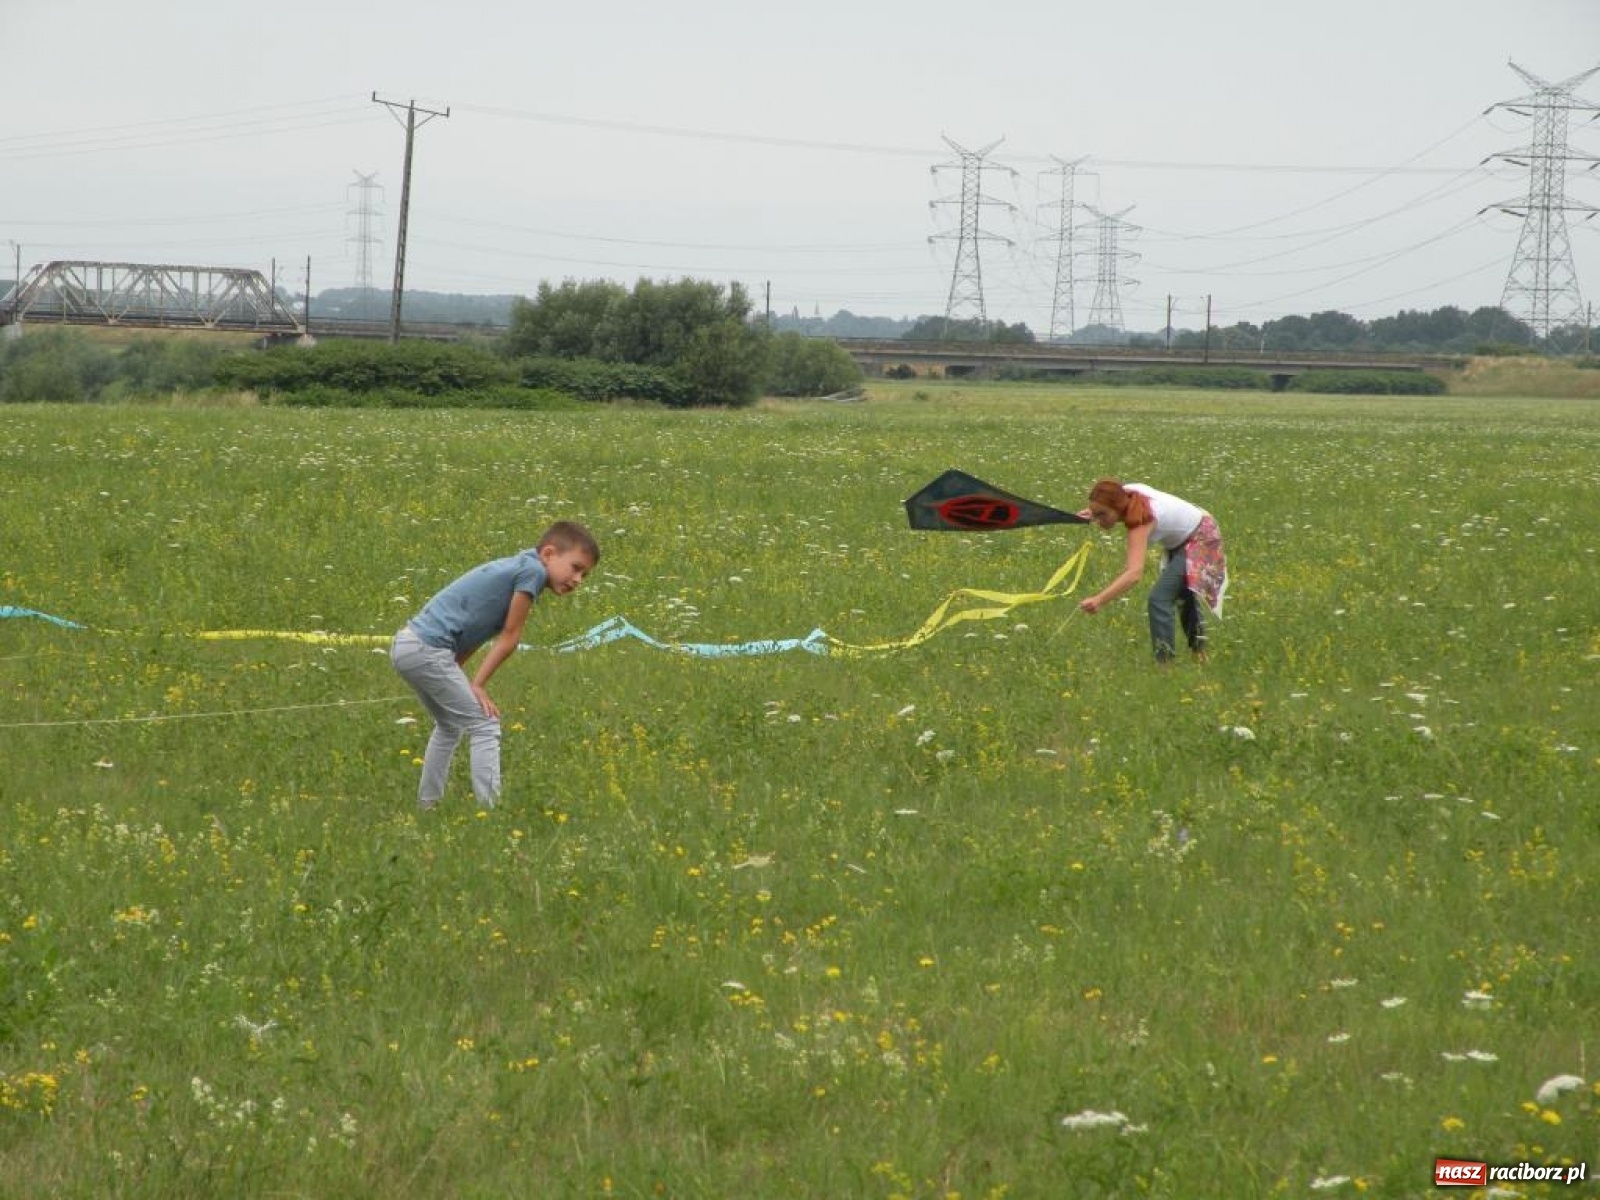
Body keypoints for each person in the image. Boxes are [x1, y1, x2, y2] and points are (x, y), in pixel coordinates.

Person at [390, 520, 600, 809]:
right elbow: (510, 636)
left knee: (450, 725)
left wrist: (460, 673)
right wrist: (476, 685)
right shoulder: (532, 571)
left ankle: (427, 807)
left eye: (585, 576)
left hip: (409, 645)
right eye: (575, 568)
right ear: (549, 554)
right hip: (426, 648)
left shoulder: (521, 567)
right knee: (485, 722)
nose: (578, 580)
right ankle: (491, 811)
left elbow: (475, 629)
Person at [1077, 479, 1227, 664]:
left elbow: (1133, 574)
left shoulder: (1140, 521)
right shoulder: (1127, 493)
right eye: (1095, 513)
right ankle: (1200, 655)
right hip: (1190, 533)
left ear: (1118, 507)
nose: (1098, 521)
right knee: (1183, 595)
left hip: (1202, 538)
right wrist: (1093, 512)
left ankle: (1165, 665)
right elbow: (1109, 502)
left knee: (1159, 599)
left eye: (1102, 515)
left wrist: (1099, 600)